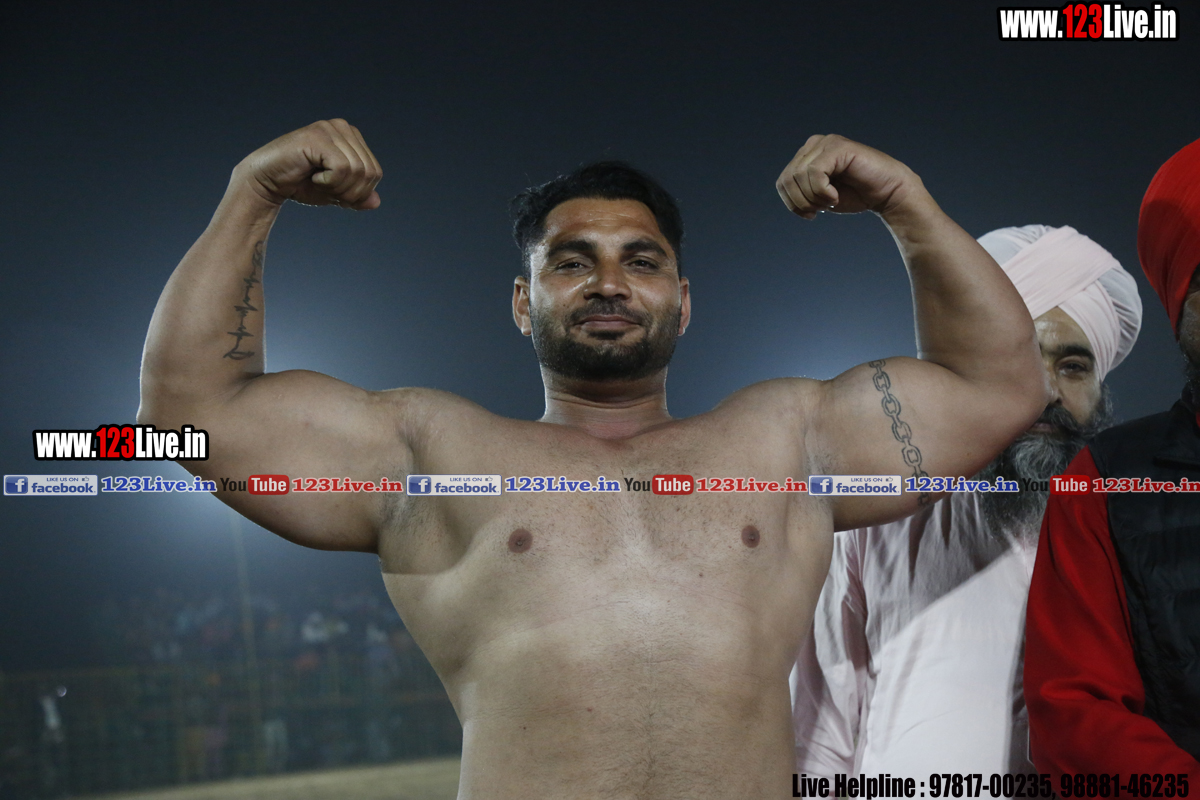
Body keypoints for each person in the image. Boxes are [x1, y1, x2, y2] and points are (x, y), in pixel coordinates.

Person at [138, 120, 1047, 798]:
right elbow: (192, 412)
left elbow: (998, 385)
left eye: (640, 262)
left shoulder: (788, 440)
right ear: (522, 304)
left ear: (683, 302)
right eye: (571, 263)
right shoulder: (432, 453)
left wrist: (905, 203)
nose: (609, 281)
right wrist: (252, 193)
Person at [792, 225, 1142, 776]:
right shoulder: (878, 516)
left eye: (1073, 367)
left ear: (1101, 387)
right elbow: (817, 736)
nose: (1047, 392)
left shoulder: (1137, 528)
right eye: (1022, 360)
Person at [1025, 138, 1200, 777]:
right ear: (1182, 309)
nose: (1047, 392)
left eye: (1072, 365)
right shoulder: (1103, 483)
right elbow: (1075, 717)